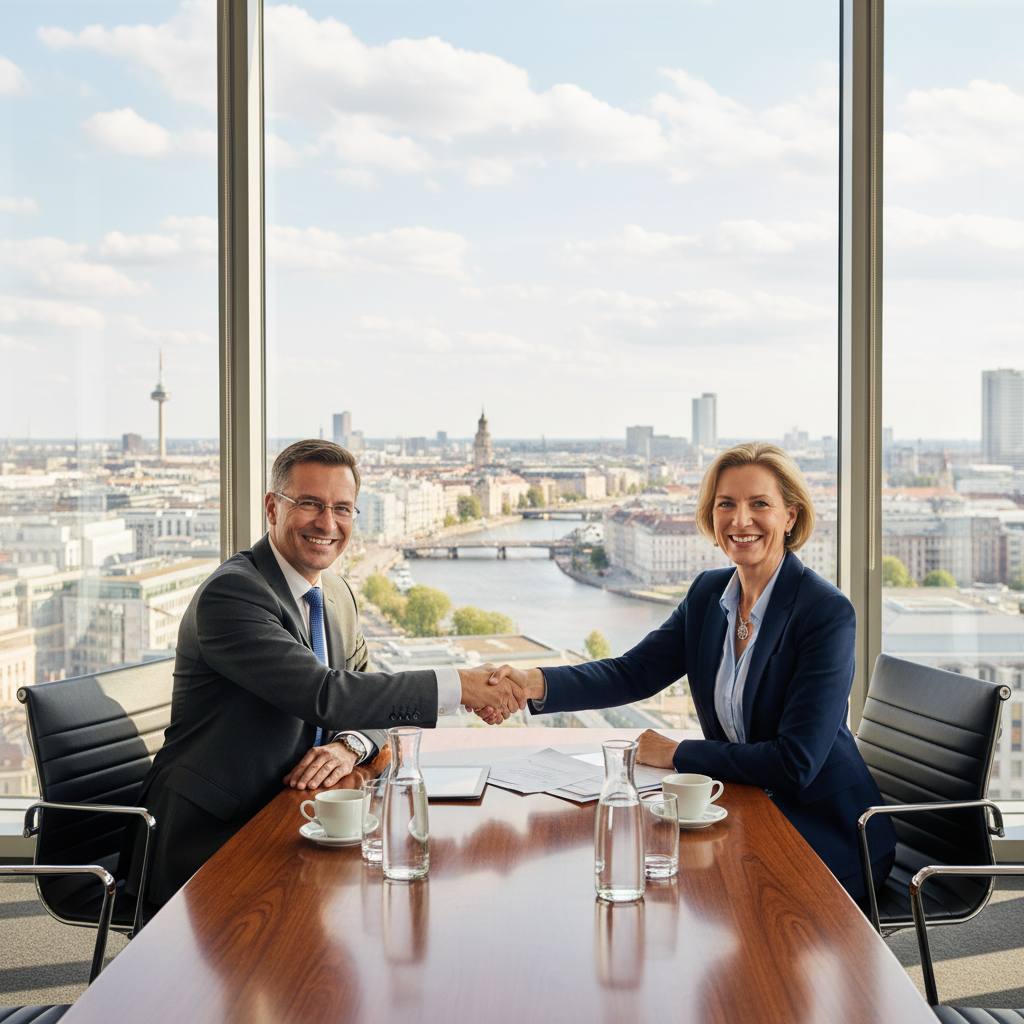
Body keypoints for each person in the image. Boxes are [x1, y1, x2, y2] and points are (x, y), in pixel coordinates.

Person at [486, 442, 896, 900]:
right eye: (726, 505)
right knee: (629, 868)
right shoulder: (708, 595)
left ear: (791, 517)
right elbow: (634, 672)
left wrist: (678, 753)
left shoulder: (824, 612)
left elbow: (794, 763)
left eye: (760, 504)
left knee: (678, 892)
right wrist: (533, 683)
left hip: (828, 832)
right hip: (744, 807)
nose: (740, 520)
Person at [123, 439, 522, 909]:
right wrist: (461, 686)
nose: (327, 523)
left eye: (342, 508)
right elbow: (326, 694)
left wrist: (348, 744)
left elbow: (369, 700)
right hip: (214, 835)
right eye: (309, 504)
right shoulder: (232, 594)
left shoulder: (336, 593)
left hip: (300, 813)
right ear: (272, 508)